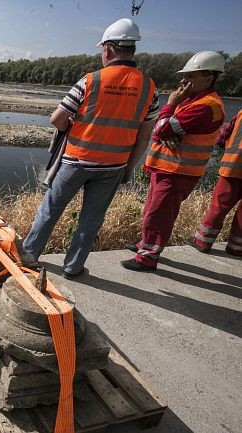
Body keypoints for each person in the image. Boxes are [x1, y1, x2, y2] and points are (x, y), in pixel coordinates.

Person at [19, 18, 159, 279]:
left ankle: (28, 258)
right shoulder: (150, 89)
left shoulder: (91, 81)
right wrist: (129, 168)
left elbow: (57, 119)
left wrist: (71, 124)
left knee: (50, 211)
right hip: (113, 167)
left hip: (76, 161)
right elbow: (144, 137)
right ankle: (72, 267)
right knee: (91, 219)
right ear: (133, 50)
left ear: (107, 49)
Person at [122, 51, 226, 271]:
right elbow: (161, 131)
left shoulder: (206, 106)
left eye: (190, 76)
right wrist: (166, 128)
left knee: (159, 215)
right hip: (167, 168)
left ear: (209, 77)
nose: (183, 81)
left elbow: (161, 127)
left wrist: (169, 107)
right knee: (152, 210)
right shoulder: (191, 101)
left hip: (178, 171)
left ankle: (148, 258)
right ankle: (145, 246)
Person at [187, 109, 242, 256]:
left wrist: (222, 145)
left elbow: (224, 135)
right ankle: (237, 247)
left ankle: (202, 241)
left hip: (233, 167)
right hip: (233, 166)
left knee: (219, 206)